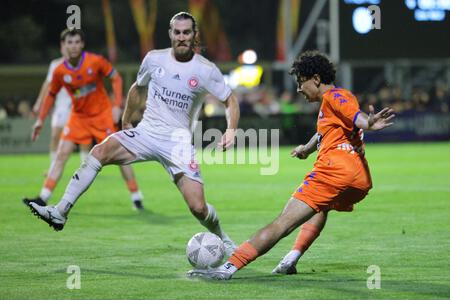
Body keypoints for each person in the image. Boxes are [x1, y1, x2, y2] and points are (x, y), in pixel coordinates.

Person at [25, 12, 240, 256]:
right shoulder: (154, 59)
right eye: (177, 32)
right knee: (99, 151)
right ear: (170, 33)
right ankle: (60, 211)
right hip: (147, 132)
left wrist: (231, 130)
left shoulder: (205, 70)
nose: (181, 37)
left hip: (177, 143)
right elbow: (138, 88)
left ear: (194, 35)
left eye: (187, 33)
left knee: (198, 208)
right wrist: (127, 118)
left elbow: (230, 100)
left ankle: (223, 238)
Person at [187, 50, 395, 280]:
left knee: (282, 224)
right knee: (321, 207)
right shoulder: (336, 101)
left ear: (316, 79)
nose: (298, 88)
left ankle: (226, 269)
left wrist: (369, 122)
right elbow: (326, 131)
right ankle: (291, 259)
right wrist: (307, 148)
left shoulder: (335, 97)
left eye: (300, 82)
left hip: (335, 172)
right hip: (359, 180)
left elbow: (357, 117)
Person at [23, 28, 144, 213]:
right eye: (69, 43)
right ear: (64, 45)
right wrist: (40, 120)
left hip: (102, 116)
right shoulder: (60, 71)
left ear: (82, 44)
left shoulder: (95, 61)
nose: (73, 46)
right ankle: (43, 198)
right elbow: (51, 95)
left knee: (119, 157)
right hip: (78, 117)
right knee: (62, 154)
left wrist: (116, 106)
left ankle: (136, 198)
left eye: (77, 42)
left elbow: (116, 78)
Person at [32, 40, 91, 170]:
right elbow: (47, 85)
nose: (70, 48)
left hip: (79, 106)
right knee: (55, 136)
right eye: (66, 46)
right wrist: (38, 103)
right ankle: (53, 167)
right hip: (62, 106)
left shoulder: (83, 64)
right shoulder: (55, 65)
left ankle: (85, 168)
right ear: (62, 48)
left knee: (84, 138)